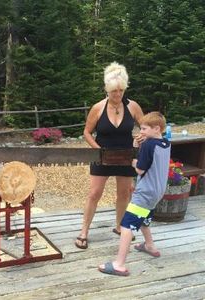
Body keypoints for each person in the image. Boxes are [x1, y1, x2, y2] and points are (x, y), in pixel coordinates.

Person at [75, 62, 144, 249]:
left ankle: (120, 228)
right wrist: (98, 150)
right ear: (107, 89)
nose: (118, 94)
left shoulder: (133, 106)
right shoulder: (98, 108)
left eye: (121, 90)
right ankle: (83, 232)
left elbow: (145, 126)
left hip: (125, 157)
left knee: (123, 193)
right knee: (94, 193)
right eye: (114, 91)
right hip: (101, 156)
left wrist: (142, 135)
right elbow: (87, 132)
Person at [98, 112, 170, 276]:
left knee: (126, 225)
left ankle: (119, 264)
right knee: (144, 218)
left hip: (144, 193)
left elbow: (140, 169)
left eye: (144, 128)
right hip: (157, 191)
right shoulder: (165, 143)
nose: (141, 131)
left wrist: (133, 158)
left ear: (156, 128)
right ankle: (150, 246)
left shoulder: (148, 145)